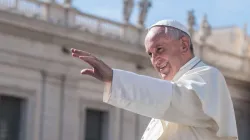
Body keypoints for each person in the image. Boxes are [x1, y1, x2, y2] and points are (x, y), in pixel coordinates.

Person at [71, 19, 238, 140]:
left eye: (160, 49)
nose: (155, 59)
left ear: (184, 45)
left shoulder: (208, 76)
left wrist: (114, 78)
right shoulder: (170, 91)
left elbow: (179, 100)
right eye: (150, 54)